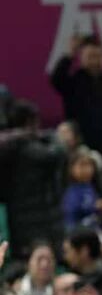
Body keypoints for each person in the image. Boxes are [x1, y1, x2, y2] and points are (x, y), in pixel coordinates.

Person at [0, 101, 68, 255]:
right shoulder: (48, 148)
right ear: (31, 122)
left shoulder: (8, 150)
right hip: (47, 220)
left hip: (19, 221)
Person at [49, 34, 102, 156]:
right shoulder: (72, 85)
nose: (95, 61)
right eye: (90, 56)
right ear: (82, 59)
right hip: (81, 148)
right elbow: (56, 79)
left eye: (98, 56)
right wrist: (69, 55)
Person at [62, 151, 101, 227]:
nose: (87, 170)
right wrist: (95, 206)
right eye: (82, 165)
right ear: (71, 169)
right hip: (76, 230)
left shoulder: (92, 187)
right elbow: (72, 210)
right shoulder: (71, 191)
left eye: (90, 165)